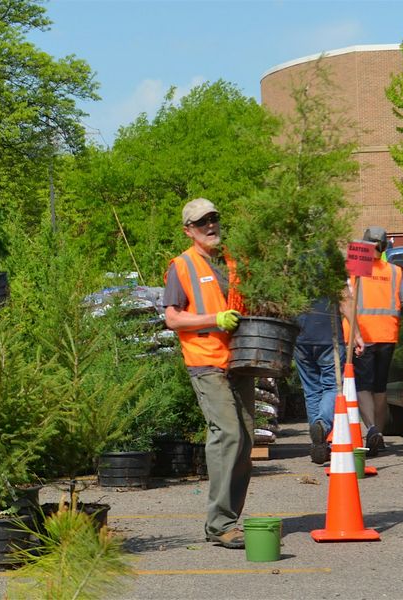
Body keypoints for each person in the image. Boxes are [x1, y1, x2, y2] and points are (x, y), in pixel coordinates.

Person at [162, 198, 253, 550]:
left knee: (245, 439)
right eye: (202, 223)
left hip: (241, 359)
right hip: (205, 360)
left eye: (214, 219)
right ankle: (220, 524)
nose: (211, 226)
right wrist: (214, 319)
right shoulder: (181, 266)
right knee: (228, 433)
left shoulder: (235, 260)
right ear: (189, 230)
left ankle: (229, 520)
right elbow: (172, 318)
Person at [342, 226, 403, 456]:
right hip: (387, 335)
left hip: (362, 336)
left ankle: (371, 431)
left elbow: (343, 297)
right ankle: (377, 434)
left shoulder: (356, 269)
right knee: (380, 388)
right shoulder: (396, 271)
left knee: (363, 387)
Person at [294, 297, 342, 464]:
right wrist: (356, 333)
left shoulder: (294, 270)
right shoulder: (332, 271)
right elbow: (347, 300)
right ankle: (323, 424)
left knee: (312, 390)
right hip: (329, 337)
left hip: (300, 337)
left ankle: (318, 444)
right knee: (333, 386)